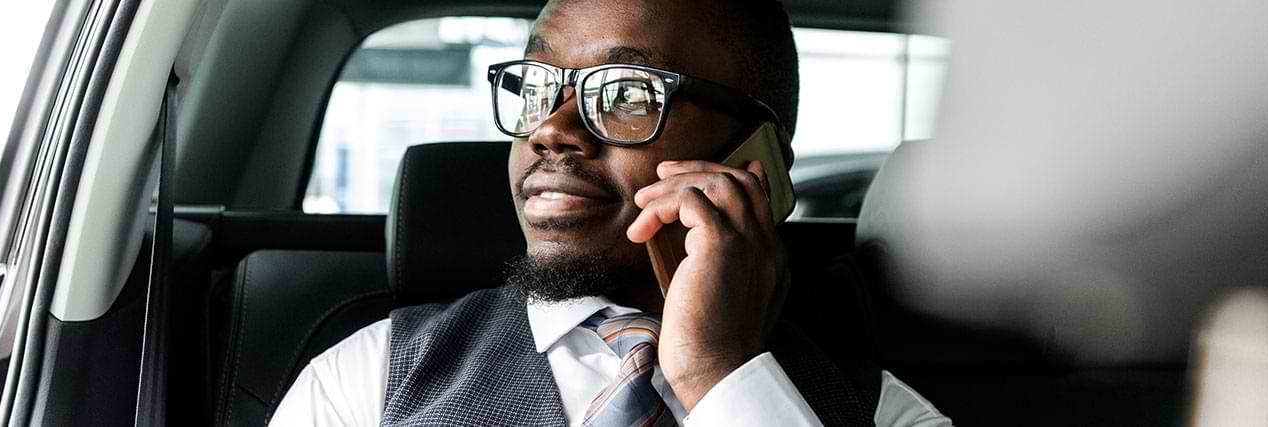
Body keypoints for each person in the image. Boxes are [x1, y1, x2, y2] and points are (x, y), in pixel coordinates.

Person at [272, 0, 950, 425]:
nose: (553, 128)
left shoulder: (882, 414)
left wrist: (717, 370)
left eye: (627, 92)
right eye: (539, 86)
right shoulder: (365, 384)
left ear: (756, 159)